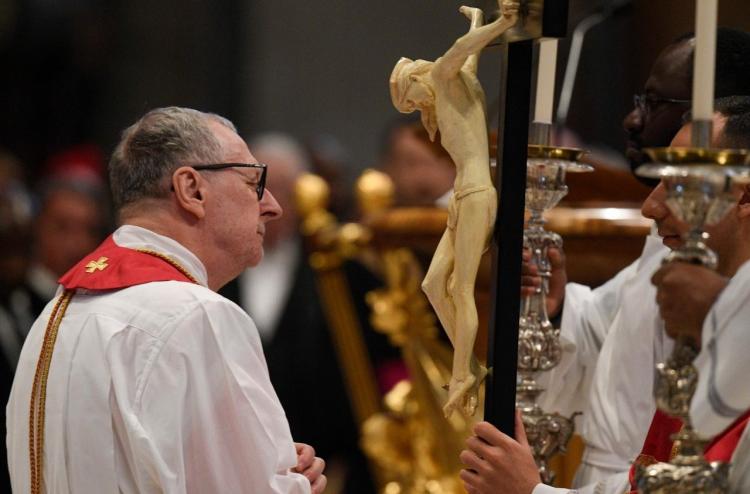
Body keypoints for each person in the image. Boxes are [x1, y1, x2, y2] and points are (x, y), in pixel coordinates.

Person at [6, 107, 326, 493]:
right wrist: (293, 485)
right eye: (253, 182)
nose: (272, 206)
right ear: (192, 189)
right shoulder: (197, 316)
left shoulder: (56, 314)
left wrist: (262, 459)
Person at [458, 99, 750, 494]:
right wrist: (556, 311)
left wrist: (532, 493)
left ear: (744, 197)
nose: (650, 207)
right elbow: (609, 338)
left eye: (681, 184)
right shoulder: (672, 259)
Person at [390, 0, 518, 417]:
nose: (415, 106)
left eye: (409, 98)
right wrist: (480, 20)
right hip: (462, 196)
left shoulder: (444, 77)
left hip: (477, 193)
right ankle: (471, 364)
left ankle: (463, 372)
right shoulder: (460, 82)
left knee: (462, 288)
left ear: (416, 79)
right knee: (433, 285)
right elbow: (470, 53)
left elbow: (462, 50)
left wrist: (504, 23)